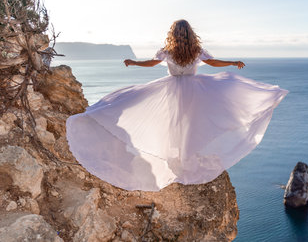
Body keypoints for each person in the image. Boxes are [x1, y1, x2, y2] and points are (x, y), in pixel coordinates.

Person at [66, 19, 288, 191]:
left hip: (171, 91)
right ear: (191, 34)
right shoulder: (196, 51)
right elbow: (213, 62)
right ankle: (185, 159)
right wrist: (232, 62)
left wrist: (134, 62)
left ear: (173, 34)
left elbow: (152, 63)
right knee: (191, 125)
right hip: (194, 92)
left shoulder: (168, 51)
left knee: (173, 124)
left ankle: (176, 158)